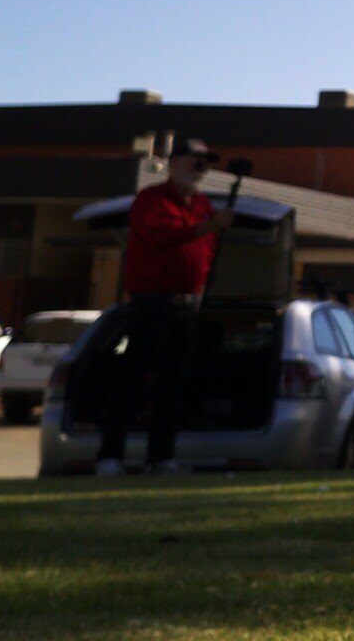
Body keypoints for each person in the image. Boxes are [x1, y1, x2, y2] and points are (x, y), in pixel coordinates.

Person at [96, 136, 236, 476]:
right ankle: (110, 457)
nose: (200, 167)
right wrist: (210, 225)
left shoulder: (202, 205)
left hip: (186, 307)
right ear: (174, 163)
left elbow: (205, 251)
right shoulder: (151, 199)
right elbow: (161, 236)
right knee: (132, 379)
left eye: (205, 162)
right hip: (152, 303)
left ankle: (160, 458)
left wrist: (199, 289)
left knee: (173, 385)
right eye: (194, 160)